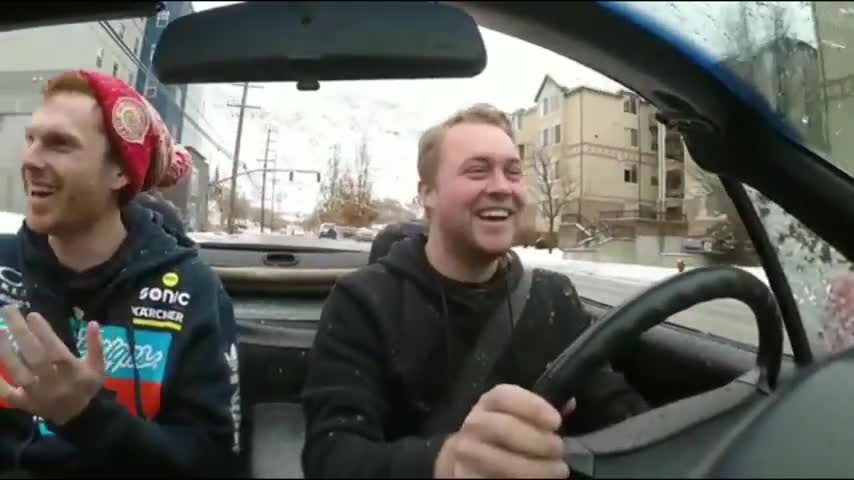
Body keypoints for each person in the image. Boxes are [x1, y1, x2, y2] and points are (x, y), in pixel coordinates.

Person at [301, 103, 649, 478]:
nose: (501, 187)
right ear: (428, 193)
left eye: (513, 172)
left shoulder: (553, 296)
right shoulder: (362, 301)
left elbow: (618, 410)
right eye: (477, 170)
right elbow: (332, 455)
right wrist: (445, 463)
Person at [0, 70, 241, 476]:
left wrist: (86, 416)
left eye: (60, 145)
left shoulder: (191, 290)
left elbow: (212, 461)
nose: (31, 160)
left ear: (120, 173)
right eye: (31, 139)